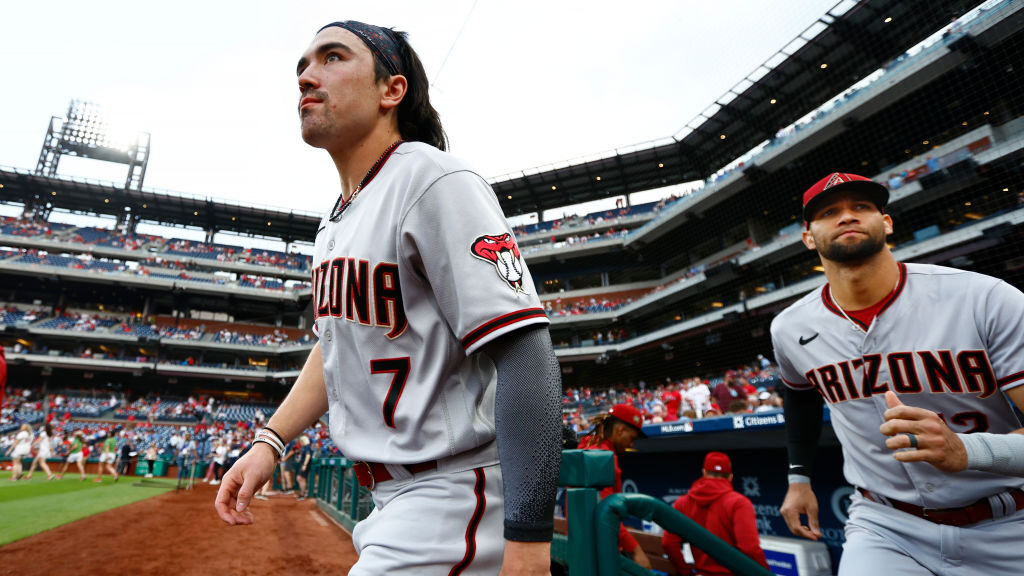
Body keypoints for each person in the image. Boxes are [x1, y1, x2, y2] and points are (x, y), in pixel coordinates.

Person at [215, 20, 562, 576]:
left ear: (391, 91)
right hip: (393, 504)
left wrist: (527, 543)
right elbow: (336, 350)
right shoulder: (335, 222)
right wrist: (270, 442)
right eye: (302, 65)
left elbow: (526, 353)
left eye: (332, 57)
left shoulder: (432, 178)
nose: (307, 75)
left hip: (454, 497)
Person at [771, 172, 1024, 575]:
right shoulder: (789, 327)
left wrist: (968, 451)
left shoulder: (986, 298)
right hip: (885, 525)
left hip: (1010, 524)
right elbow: (799, 393)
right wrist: (798, 478)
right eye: (830, 212)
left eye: (862, 207)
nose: (847, 217)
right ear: (808, 237)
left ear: (886, 223)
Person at [661, 452, 769, 576]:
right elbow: (749, 549)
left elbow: (668, 543)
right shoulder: (739, 502)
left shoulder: (683, 502)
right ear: (730, 477)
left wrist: (686, 572)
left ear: (704, 473)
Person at [578, 404, 653, 570]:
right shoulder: (602, 457)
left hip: (583, 547)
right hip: (599, 552)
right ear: (619, 430)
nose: (631, 444)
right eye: (631, 437)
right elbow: (605, 511)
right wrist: (635, 549)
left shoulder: (588, 445)